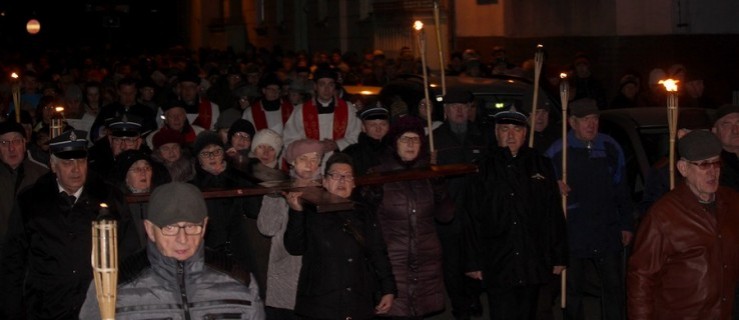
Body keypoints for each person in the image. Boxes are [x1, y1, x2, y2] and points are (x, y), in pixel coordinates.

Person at [79, 182, 266, 319]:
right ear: (150, 230)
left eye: (192, 226)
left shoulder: (238, 281)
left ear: (205, 225)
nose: (182, 239)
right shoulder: (114, 287)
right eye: (170, 228)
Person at [463, 109, 567, 320]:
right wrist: (472, 262)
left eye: (516, 129)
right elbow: (471, 217)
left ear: (524, 133)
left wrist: (559, 255)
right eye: (504, 129)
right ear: (496, 132)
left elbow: (553, 212)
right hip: (497, 259)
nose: (511, 135)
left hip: (532, 258)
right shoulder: (481, 167)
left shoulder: (541, 164)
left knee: (529, 313)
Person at [627, 130, 739, 319]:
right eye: (703, 165)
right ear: (683, 168)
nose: (713, 172)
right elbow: (641, 277)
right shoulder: (663, 215)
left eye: (716, 163)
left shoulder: (732, 201)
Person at [0, 130, 110, 319]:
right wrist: (12, 309)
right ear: (53, 165)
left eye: (81, 161)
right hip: (47, 307)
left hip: (98, 306)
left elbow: (127, 252)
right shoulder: (31, 201)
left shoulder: (109, 199)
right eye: (67, 163)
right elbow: (14, 258)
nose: (76, 169)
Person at [544, 98, 634, 320]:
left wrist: (626, 224)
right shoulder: (557, 151)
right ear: (572, 122)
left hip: (606, 230)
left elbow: (622, 188)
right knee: (573, 291)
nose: (591, 124)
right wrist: (552, 186)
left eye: (594, 119)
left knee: (614, 288)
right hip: (573, 233)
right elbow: (540, 192)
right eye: (585, 120)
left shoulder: (610, 147)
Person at [283, 152, 396, 320]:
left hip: (358, 301)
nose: (342, 181)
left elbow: (377, 252)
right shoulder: (310, 211)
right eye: (336, 176)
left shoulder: (364, 212)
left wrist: (388, 289)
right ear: (325, 181)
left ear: (354, 184)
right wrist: (296, 212)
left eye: (348, 176)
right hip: (320, 304)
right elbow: (294, 247)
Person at [363, 116, 454, 319]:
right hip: (393, 264)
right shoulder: (378, 174)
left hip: (426, 262)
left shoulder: (429, 174)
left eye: (416, 139)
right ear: (394, 143)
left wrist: (440, 190)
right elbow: (366, 220)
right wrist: (371, 195)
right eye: (405, 139)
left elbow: (446, 216)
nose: (411, 144)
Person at [432, 88, 489, 320]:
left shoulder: (483, 136)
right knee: (452, 264)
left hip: (477, 213)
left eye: (464, 107)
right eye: (454, 107)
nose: (459, 111)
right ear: (445, 111)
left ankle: (474, 295)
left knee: (476, 259)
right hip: (450, 213)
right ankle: (459, 304)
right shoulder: (436, 140)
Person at [189, 131, 267, 297]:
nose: (212, 157)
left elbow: (253, 210)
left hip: (239, 248)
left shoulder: (236, 177)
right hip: (207, 251)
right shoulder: (192, 186)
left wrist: (239, 173)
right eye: (206, 153)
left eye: (216, 151)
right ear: (198, 158)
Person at [257, 139, 323, 320]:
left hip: (319, 277)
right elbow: (267, 228)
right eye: (304, 159)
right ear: (293, 162)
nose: (310, 165)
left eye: (315, 158)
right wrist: (274, 196)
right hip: (287, 273)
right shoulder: (281, 189)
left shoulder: (327, 191)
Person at [282, 68, 361, 159]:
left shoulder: (348, 109)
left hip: (339, 162)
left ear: (334, 87)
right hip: (310, 164)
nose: (326, 89)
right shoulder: (300, 111)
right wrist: (313, 146)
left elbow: (356, 135)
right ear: (315, 86)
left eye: (330, 84)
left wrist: (337, 144)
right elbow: (290, 140)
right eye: (322, 84)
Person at [0, 121, 48, 257]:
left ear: (24, 143)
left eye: (16, 141)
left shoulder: (41, 174)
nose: (11, 148)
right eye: (4, 143)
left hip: (33, 254)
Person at [90, 77, 157, 142]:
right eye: (124, 93)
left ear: (136, 92)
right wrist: (103, 132)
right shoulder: (108, 110)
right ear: (118, 92)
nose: (128, 97)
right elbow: (94, 133)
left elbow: (152, 135)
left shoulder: (146, 112)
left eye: (131, 93)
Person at [88, 114, 150, 178]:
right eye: (117, 140)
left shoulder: (150, 164)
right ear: (110, 141)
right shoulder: (96, 167)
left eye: (129, 140)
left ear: (139, 143)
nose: (123, 147)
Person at [342, 103, 391, 176]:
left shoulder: (396, 149)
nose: (378, 129)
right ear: (363, 128)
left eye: (383, 124)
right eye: (373, 125)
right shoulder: (350, 154)